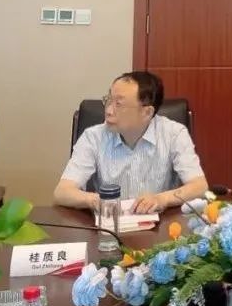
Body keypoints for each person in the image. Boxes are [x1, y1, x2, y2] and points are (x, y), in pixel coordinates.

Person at [54, 71, 208, 213]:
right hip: (109, 225)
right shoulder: (93, 137)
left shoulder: (174, 134)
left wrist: (161, 199)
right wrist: (94, 200)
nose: (108, 111)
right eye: (108, 100)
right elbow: (62, 192)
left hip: (158, 227)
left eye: (119, 104)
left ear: (147, 112)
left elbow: (199, 187)